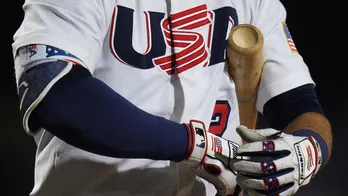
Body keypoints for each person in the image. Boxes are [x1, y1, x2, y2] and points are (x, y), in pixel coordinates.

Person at [12, 0, 332, 195]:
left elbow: (301, 107)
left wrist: (305, 150)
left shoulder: (254, 2)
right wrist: (197, 147)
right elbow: (53, 90)